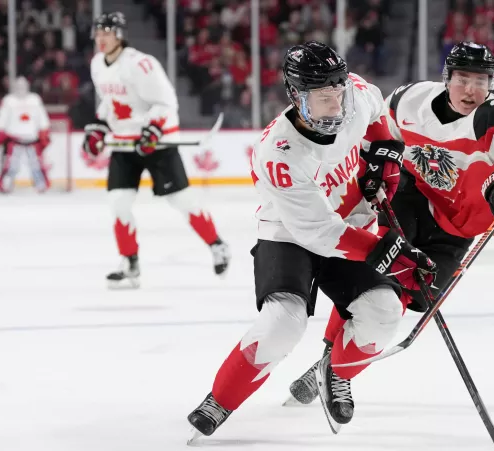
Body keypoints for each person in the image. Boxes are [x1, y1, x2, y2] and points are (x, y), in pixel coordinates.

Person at [285, 42, 494, 416]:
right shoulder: (411, 98)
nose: (471, 90)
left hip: (457, 227)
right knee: (376, 280)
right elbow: (374, 129)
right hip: (409, 197)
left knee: (406, 299)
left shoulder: (490, 117)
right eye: (463, 79)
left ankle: (332, 366)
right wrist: (372, 165)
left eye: (482, 81)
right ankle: (336, 369)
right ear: (447, 77)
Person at [186, 41, 437, 437]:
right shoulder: (278, 151)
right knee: (283, 323)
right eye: (322, 98)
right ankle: (221, 398)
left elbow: (378, 115)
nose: (335, 106)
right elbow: (317, 231)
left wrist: (387, 156)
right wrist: (385, 252)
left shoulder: (352, 91)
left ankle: (335, 373)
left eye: (337, 93)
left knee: (385, 311)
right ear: (296, 95)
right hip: (289, 235)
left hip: (348, 225)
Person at [82, 12, 230, 289]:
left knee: (181, 201)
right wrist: (99, 127)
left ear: (120, 35)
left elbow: (166, 102)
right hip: (125, 144)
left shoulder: (141, 64)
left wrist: (152, 130)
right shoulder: (97, 65)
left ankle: (217, 245)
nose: (101, 38)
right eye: (98, 33)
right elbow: (110, 103)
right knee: (118, 203)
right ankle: (130, 264)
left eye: (107, 33)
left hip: (157, 143)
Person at [0, 76, 51, 193]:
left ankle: (41, 185)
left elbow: (42, 118)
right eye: (18, 86)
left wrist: (44, 130)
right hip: (14, 139)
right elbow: (1, 120)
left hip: (32, 139)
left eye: (23, 86)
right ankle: (6, 185)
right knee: (11, 165)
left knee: (36, 164)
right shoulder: (8, 100)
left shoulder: (34, 99)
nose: (21, 89)